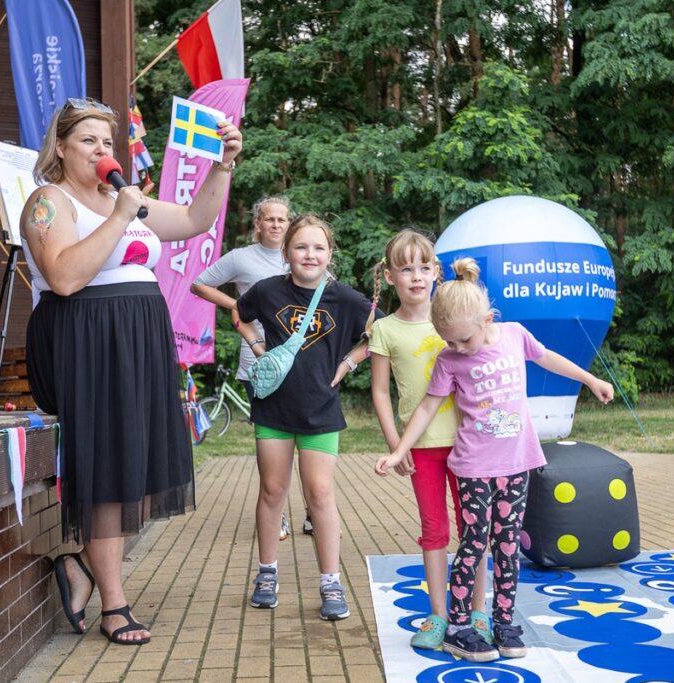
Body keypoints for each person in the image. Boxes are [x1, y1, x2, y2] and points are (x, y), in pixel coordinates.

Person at [21, 97, 242, 645]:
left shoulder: (122, 198)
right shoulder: (49, 202)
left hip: (137, 342)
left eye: (107, 141)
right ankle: (114, 605)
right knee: (109, 469)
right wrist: (120, 215)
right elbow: (64, 277)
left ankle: (84, 565)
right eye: (88, 140)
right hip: (86, 340)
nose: (102, 150)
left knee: (139, 470)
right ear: (61, 148)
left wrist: (222, 166)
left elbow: (193, 220)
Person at [375, 257, 613, 661]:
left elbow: (548, 358)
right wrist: (399, 450)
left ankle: (503, 621)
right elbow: (428, 407)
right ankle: (459, 627)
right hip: (474, 468)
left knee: (507, 546)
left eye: (463, 340)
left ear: (487, 319)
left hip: (516, 464)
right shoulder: (449, 360)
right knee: (473, 544)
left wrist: (590, 380)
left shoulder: (515, 335)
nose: (456, 349)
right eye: (449, 341)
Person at [235, 214, 378, 620]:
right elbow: (239, 315)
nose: (309, 254)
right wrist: (258, 347)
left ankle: (331, 582)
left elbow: (380, 334)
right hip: (274, 409)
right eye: (301, 247)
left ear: (330, 253)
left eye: (318, 247)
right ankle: (266, 573)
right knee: (272, 491)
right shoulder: (267, 290)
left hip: (321, 411)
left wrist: (348, 363)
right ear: (286, 252)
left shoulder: (346, 299)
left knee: (320, 494)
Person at [366, 229, 490, 651]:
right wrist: (395, 443)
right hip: (421, 449)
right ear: (390, 277)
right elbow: (380, 392)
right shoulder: (385, 329)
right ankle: (438, 615)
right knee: (434, 529)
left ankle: (477, 611)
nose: (416, 276)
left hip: (469, 445)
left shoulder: (453, 321)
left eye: (424, 267)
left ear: (437, 272)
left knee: (474, 528)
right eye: (405, 269)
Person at [191, 196, 309, 540]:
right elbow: (199, 284)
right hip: (259, 364)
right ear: (258, 224)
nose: (276, 225)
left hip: (302, 361)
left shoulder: (301, 254)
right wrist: (239, 305)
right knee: (274, 444)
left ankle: (314, 513)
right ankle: (278, 515)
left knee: (308, 439)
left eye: (282, 219)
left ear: (290, 224)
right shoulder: (241, 258)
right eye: (269, 219)